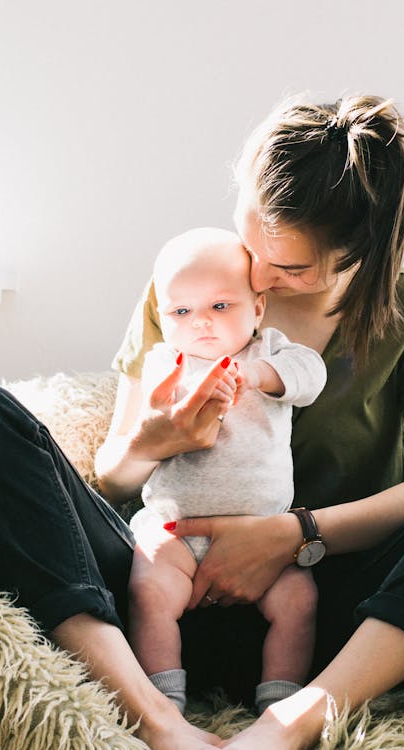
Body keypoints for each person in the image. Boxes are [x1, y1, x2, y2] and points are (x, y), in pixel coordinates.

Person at [0, 93, 404, 750]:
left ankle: (293, 722)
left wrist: (293, 537)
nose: (256, 275)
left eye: (288, 267)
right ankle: (149, 715)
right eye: (250, 236)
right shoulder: (191, 286)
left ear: (358, 253)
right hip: (158, 590)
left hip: (320, 614)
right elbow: (113, 483)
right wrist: (154, 443)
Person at [127, 227, 326, 717]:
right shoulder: (165, 361)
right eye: (181, 311)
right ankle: (164, 702)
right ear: (161, 317)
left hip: (266, 536)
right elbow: (150, 407)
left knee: (299, 602)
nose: (201, 324)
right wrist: (174, 393)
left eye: (220, 307)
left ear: (257, 309)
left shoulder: (269, 352)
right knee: (147, 592)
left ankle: (278, 703)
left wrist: (259, 376)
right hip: (176, 531)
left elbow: (311, 375)